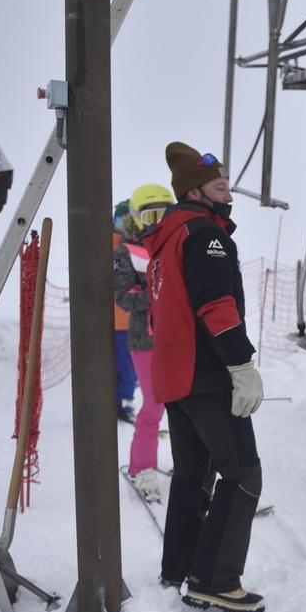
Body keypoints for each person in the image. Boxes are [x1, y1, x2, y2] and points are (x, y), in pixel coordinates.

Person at [143, 141, 266, 612]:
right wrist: (241, 365)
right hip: (207, 375)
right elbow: (216, 307)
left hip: (176, 377)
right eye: (220, 184)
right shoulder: (205, 236)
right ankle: (215, 581)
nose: (228, 191)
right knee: (243, 472)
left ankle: (180, 567)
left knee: (193, 474)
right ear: (194, 190)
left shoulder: (169, 237)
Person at [113, 183, 176, 503]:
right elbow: (122, 296)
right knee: (153, 404)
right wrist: (154, 297)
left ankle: (189, 463)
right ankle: (142, 467)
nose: (157, 222)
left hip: (179, 338)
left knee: (183, 404)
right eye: (150, 215)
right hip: (146, 339)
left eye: (164, 213)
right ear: (136, 218)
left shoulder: (178, 245)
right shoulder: (127, 251)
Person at [112, 200, 138, 424]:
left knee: (128, 365)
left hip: (128, 319)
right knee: (111, 363)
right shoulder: (106, 242)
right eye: (119, 220)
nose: (122, 225)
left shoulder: (135, 243)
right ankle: (113, 401)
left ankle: (125, 401)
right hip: (107, 319)